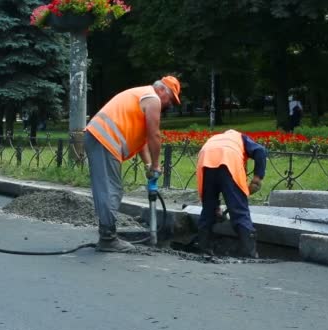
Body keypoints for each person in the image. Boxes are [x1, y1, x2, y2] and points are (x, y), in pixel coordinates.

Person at [84, 76, 181, 252]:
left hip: (100, 139)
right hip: (104, 139)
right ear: (162, 90)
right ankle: (108, 239)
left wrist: (148, 165)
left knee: (110, 188)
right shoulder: (152, 98)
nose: (170, 105)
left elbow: (142, 140)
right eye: (171, 99)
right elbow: (154, 135)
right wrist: (157, 165)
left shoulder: (142, 96)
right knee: (110, 189)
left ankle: (107, 236)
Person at [196, 129, 267, 258]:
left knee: (207, 210)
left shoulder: (216, 138)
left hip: (205, 160)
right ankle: (248, 251)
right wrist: (257, 179)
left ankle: (203, 246)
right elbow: (260, 151)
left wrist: (214, 207)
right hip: (229, 160)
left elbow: (207, 195)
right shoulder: (241, 138)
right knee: (239, 210)